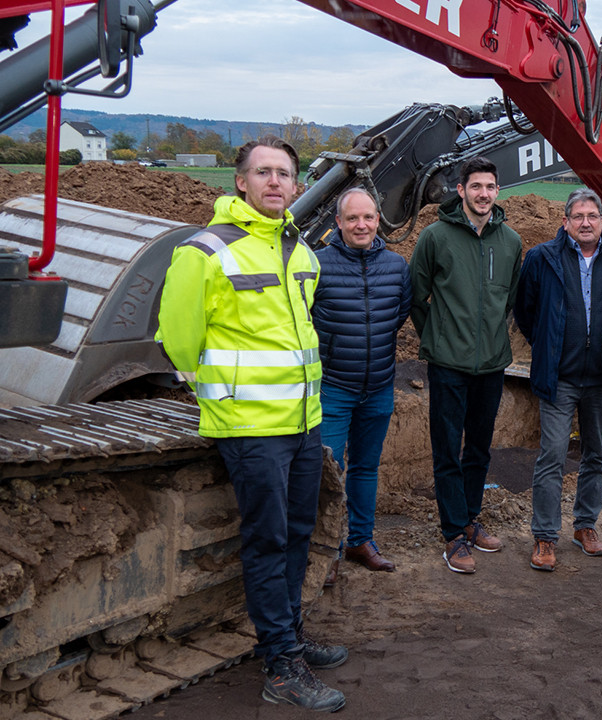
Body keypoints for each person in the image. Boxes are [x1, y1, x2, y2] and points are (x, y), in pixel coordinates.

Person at [155, 136, 347, 712]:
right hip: (249, 426)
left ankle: (287, 635)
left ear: (295, 185)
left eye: (284, 174)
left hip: (303, 421)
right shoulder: (206, 252)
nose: (274, 182)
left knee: (295, 533)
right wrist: (222, 392)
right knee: (266, 539)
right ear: (240, 181)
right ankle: (279, 665)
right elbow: (179, 339)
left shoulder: (298, 248)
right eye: (262, 173)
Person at [409, 156, 522, 574]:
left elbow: (507, 299)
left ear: (497, 191)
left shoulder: (510, 241)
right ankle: (453, 533)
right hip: (447, 365)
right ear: (462, 190)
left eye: (490, 187)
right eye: (476, 186)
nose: (483, 194)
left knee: (478, 448)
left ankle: (472, 519)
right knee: (447, 450)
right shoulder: (435, 237)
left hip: (491, 365)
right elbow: (416, 296)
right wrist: (437, 337)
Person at [514, 187, 602, 571]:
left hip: (601, 379)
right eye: (578, 216)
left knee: (596, 454)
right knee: (551, 456)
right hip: (560, 377)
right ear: (565, 222)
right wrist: (548, 345)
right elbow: (525, 310)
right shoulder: (541, 258)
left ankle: (585, 526)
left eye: (592, 216)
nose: (586, 222)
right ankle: (545, 536)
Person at [314, 187, 411, 577]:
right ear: (338, 223)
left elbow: (399, 314)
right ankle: (328, 550)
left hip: (379, 387)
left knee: (367, 468)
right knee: (329, 469)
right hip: (333, 387)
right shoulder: (318, 264)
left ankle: (359, 540)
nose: (361, 225)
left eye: (368, 217)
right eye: (352, 218)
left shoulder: (396, 266)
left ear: (378, 220)